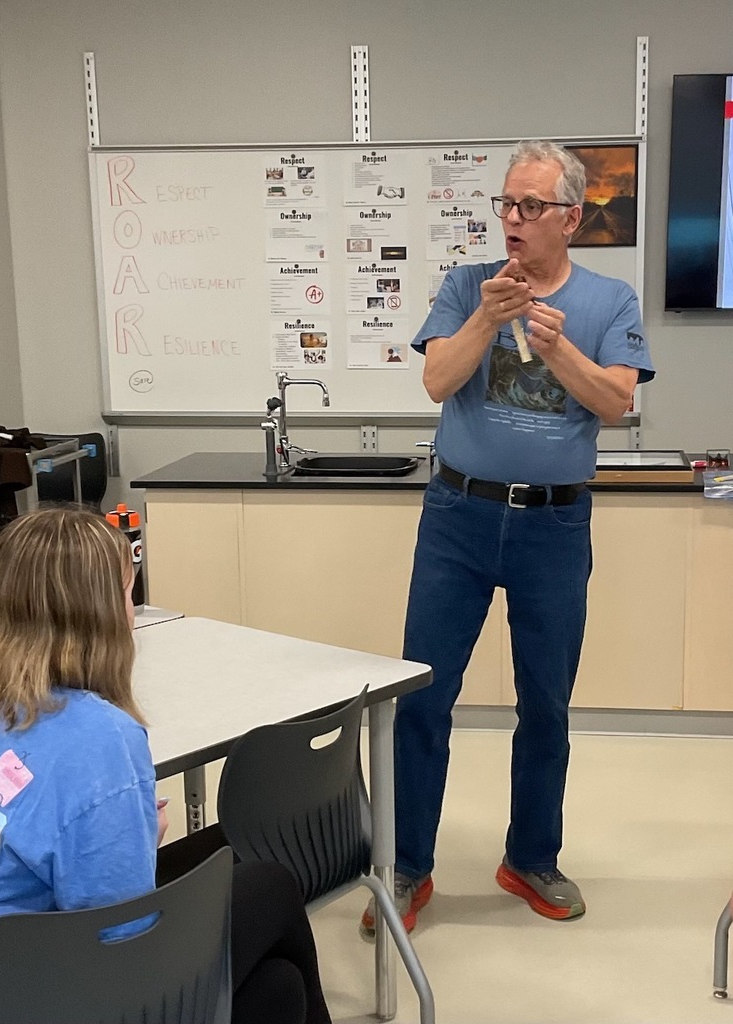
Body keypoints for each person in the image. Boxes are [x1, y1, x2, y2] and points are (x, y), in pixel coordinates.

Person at [362, 140, 655, 933]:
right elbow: (435, 380)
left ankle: (530, 858)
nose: (513, 220)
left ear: (571, 216)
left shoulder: (610, 302)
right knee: (424, 698)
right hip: (458, 517)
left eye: (530, 207)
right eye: (506, 204)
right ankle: (408, 868)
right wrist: (485, 320)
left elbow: (617, 405)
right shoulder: (467, 286)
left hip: (555, 526)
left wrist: (557, 347)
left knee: (547, 705)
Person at [0, 506, 331, 1024]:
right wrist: (134, 843)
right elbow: (120, 937)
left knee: (274, 991)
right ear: (101, 612)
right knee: (269, 886)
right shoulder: (97, 736)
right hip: (36, 992)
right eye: (126, 594)